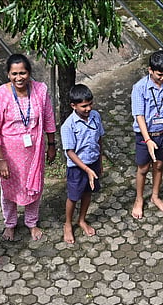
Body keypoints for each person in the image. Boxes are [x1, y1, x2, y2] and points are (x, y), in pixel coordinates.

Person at [0, 53, 57, 241]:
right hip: (9, 154)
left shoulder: (40, 90)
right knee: (9, 190)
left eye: (23, 73)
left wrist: (51, 144)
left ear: (29, 72)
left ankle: (31, 223)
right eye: (14, 74)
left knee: (34, 187)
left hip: (35, 151)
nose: (19, 78)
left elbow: (49, 118)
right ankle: (10, 224)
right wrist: (1, 160)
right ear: (8, 74)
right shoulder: (0, 95)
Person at [130, 50, 163, 219]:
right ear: (150, 70)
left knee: (158, 165)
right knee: (143, 168)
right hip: (145, 135)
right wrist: (148, 139)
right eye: (159, 75)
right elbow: (139, 116)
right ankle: (139, 199)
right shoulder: (140, 88)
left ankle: (155, 196)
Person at [60, 84, 105, 244]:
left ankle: (82, 219)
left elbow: (99, 139)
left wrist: (99, 162)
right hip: (77, 168)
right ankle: (68, 224)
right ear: (73, 106)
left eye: (90, 104)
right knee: (73, 196)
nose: (88, 108)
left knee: (88, 192)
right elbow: (70, 152)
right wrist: (86, 169)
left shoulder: (96, 116)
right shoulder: (68, 126)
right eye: (84, 106)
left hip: (93, 163)